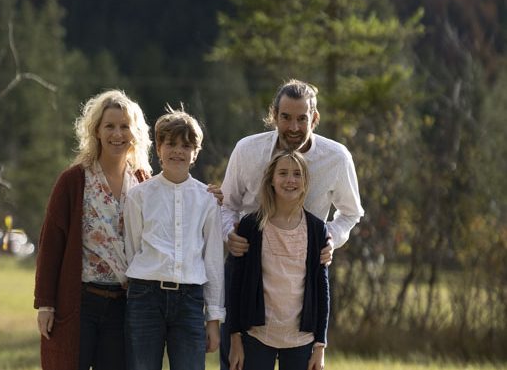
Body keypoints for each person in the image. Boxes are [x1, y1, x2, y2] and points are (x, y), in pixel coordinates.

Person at [212, 79, 363, 370]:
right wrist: (229, 234)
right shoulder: (247, 150)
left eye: (302, 119)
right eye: (286, 117)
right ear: (274, 116)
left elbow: (351, 213)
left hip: (301, 276)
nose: (294, 127)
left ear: (314, 118)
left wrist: (328, 239)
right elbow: (227, 204)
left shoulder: (337, 157)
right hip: (247, 268)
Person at [33, 89, 152, 370]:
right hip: (80, 303)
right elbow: (51, 245)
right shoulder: (73, 181)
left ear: (135, 133)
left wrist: (209, 196)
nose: (117, 134)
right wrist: (45, 304)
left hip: (123, 307)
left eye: (125, 126)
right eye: (109, 126)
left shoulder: (144, 182)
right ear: (96, 130)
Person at [123, 108, 225, 370]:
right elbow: (133, 249)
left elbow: (213, 260)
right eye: (170, 144)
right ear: (158, 148)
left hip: (190, 300)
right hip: (145, 297)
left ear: (195, 153)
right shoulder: (139, 196)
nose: (178, 151)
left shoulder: (207, 199)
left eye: (186, 146)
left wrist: (213, 319)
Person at [227, 151, 329, 370]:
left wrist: (320, 345)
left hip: (301, 339)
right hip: (257, 336)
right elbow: (236, 285)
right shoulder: (251, 226)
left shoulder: (317, 229)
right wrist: (235, 338)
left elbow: (322, 290)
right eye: (283, 173)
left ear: (305, 182)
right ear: (271, 180)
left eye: (297, 174)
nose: (290, 180)